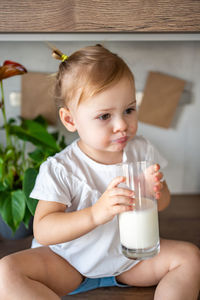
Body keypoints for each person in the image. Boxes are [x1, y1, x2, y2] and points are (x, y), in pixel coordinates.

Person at [0, 44, 199, 300]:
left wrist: (155, 192)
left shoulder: (140, 150)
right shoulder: (61, 168)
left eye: (129, 109)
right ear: (70, 120)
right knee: (6, 272)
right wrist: (96, 214)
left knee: (190, 257)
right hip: (68, 263)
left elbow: (164, 202)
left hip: (131, 258)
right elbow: (44, 229)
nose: (122, 125)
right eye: (105, 116)